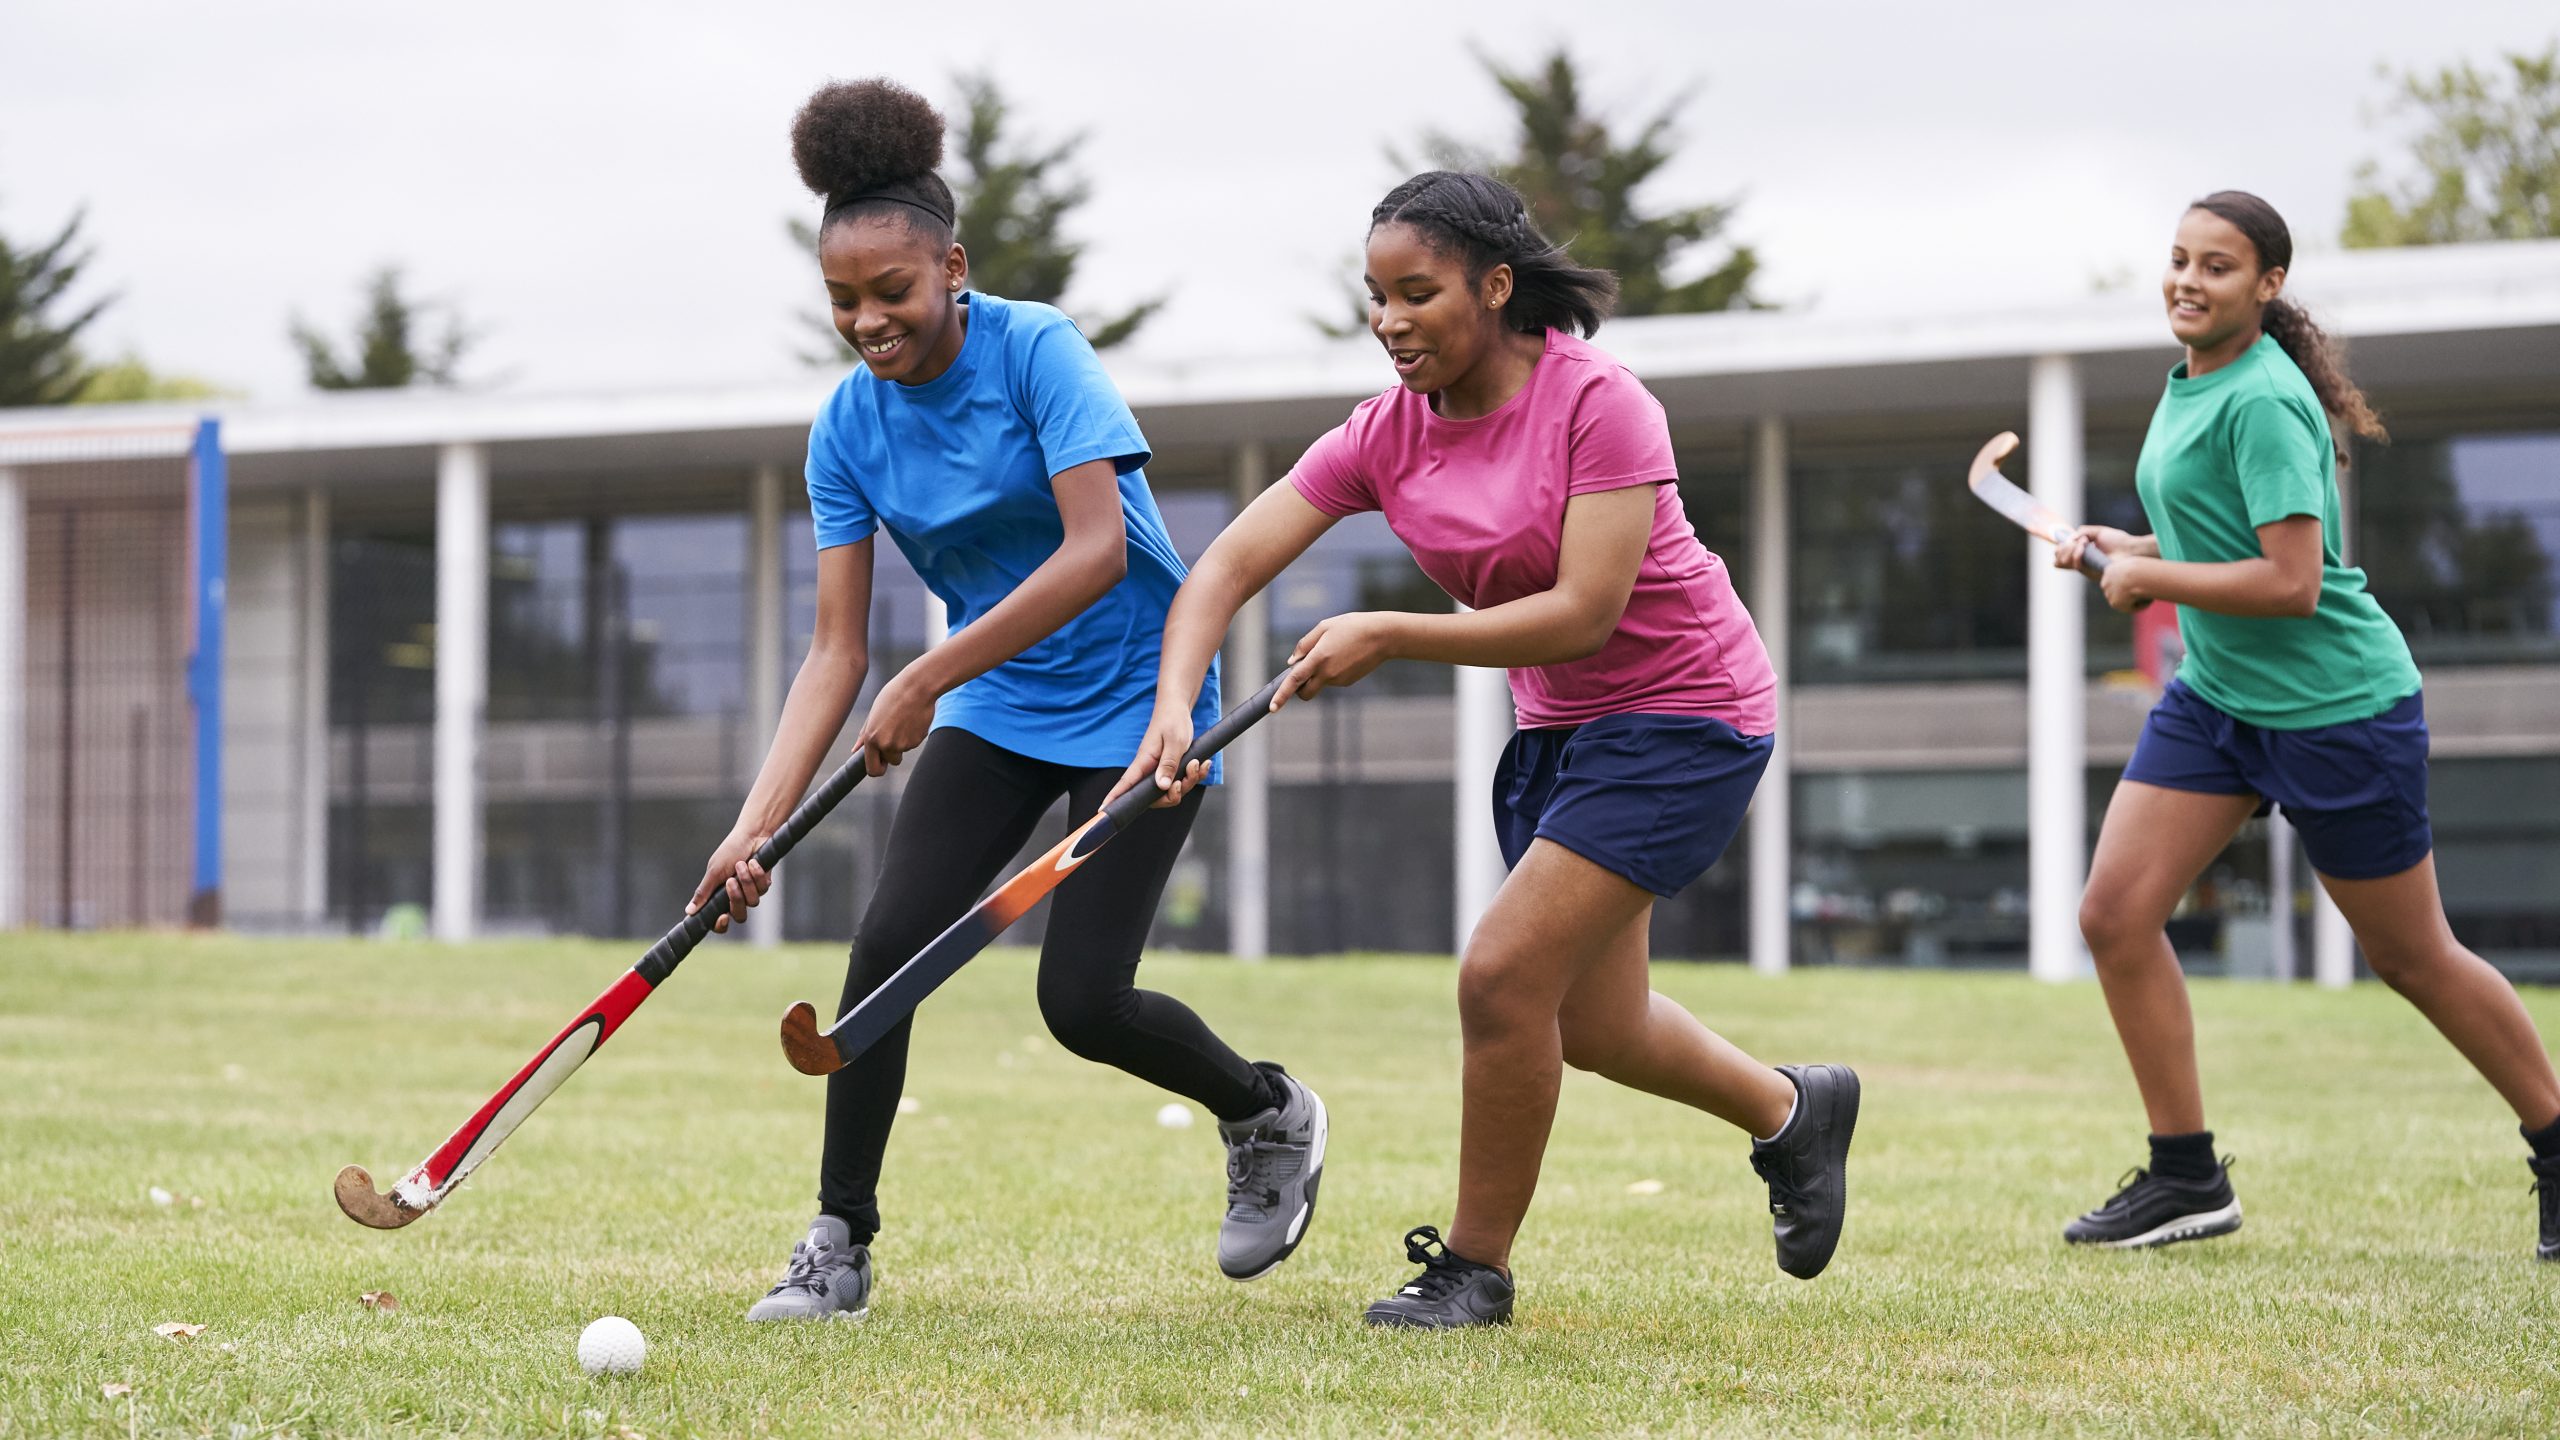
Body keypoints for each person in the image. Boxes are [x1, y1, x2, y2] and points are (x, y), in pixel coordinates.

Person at [1111, 170, 1857, 1329]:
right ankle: (1793, 1113)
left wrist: (1391, 633)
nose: (1390, 321)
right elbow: (1222, 568)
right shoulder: (1385, 431)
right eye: (1376, 296)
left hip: (1687, 716)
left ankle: (1473, 1268)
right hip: (1558, 731)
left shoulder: (1598, 403)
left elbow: (1585, 613)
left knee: (1501, 975)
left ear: (1494, 287)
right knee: (1595, 1026)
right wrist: (1173, 707)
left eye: (1418, 293)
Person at [693, 79, 1327, 1322]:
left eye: (892, 291)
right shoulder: (845, 431)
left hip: (1143, 698)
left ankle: (1266, 1113)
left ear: (953, 270)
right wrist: (752, 825)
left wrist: (926, 673)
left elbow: (1096, 547)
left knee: (1082, 1002)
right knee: (885, 952)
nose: (869, 321)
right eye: (842, 300)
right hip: (997, 707)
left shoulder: (1035, 350)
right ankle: (839, 1242)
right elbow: (833, 652)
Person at [2055, 190, 2560, 1258]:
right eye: (2179, 259)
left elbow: (2290, 582)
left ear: (2267, 286)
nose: (2188, 281)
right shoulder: (2190, 377)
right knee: (2113, 914)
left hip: (2337, 710)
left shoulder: (2266, 400)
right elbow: (2221, 523)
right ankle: (2185, 1176)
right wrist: (2131, 538)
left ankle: (2559, 1145)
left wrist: (2149, 579)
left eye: (2219, 267)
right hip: (2218, 699)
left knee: (2411, 957)